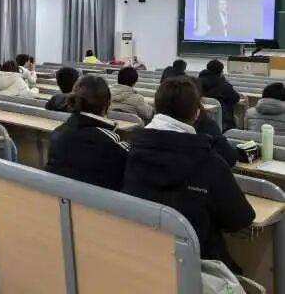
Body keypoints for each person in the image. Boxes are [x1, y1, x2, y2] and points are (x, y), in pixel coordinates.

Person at [123, 77, 254, 273]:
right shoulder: (209, 162)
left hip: (142, 256)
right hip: (197, 266)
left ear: (155, 108)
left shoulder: (131, 149)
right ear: (196, 113)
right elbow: (239, 219)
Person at [45, 75, 129, 190]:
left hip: (60, 196)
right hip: (98, 200)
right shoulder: (111, 143)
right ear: (108, 104)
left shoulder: (57, 133)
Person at [198, 60, 240, 131]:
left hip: (201, 119)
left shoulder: (197, 82)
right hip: (223, 121)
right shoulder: (224, 85)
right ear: (221, 71)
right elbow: (236, 98)